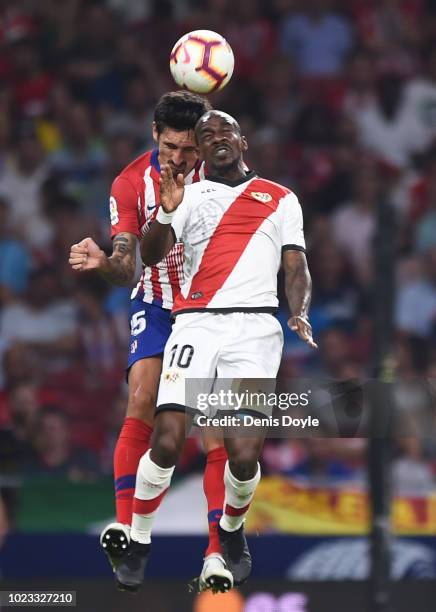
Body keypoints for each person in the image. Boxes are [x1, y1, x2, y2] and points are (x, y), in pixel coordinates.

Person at [127, 110, 317, 588]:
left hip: (255, 331)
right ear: (202, 149)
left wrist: (300, 311)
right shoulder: (187, 194)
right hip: (195, 325)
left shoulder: (281, 198)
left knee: (245, 454)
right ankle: (139, 537)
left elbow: (294, 265)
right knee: (167, 439)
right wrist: (167, 212)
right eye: (205, 134)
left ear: (242, 141)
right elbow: (149, 257)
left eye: (224, 131)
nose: (215, 139)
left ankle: (231, 529)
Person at [68, 92, 230, 593]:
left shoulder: (224, 174)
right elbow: (125, 262)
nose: (178, 160)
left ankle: (217, 551)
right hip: (157, 305)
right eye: (169, 148)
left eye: (188, 150)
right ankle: (129, 536)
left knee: (214, 427)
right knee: (141, 397)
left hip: (212, 306)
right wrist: (104, 264)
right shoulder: (128, 183)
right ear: (154, 134)